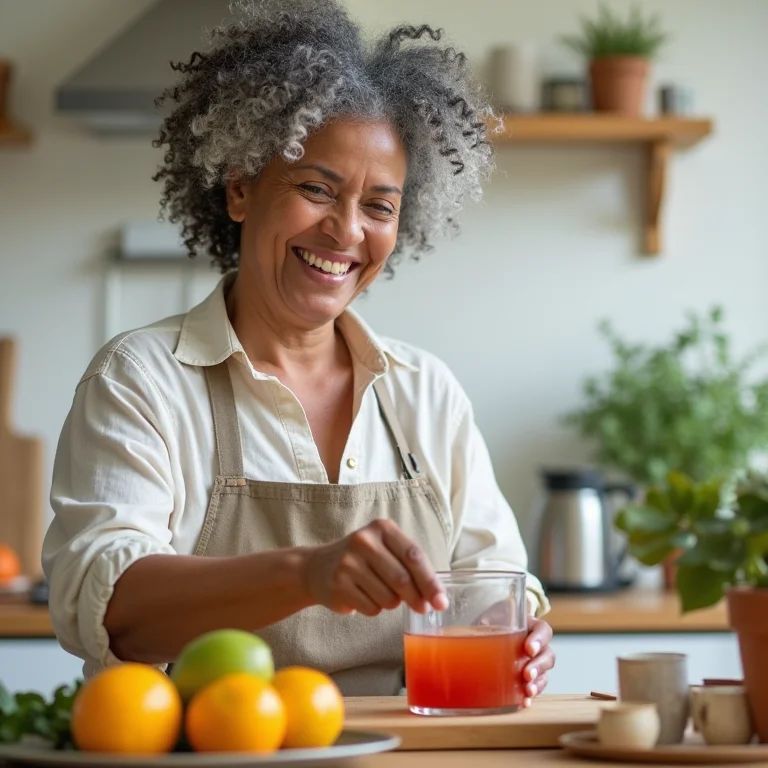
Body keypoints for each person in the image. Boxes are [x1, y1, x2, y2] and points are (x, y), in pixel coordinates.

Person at [42, 0, 555, 700]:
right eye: (316, 189)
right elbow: (108, 609)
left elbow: (494, 580)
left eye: (379, 206)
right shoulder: (141, 381)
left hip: (408, 751)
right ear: (242, 188)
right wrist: (307, 574)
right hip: (209, 751)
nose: (345, 231)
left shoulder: (424, 392)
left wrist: (514, 628)